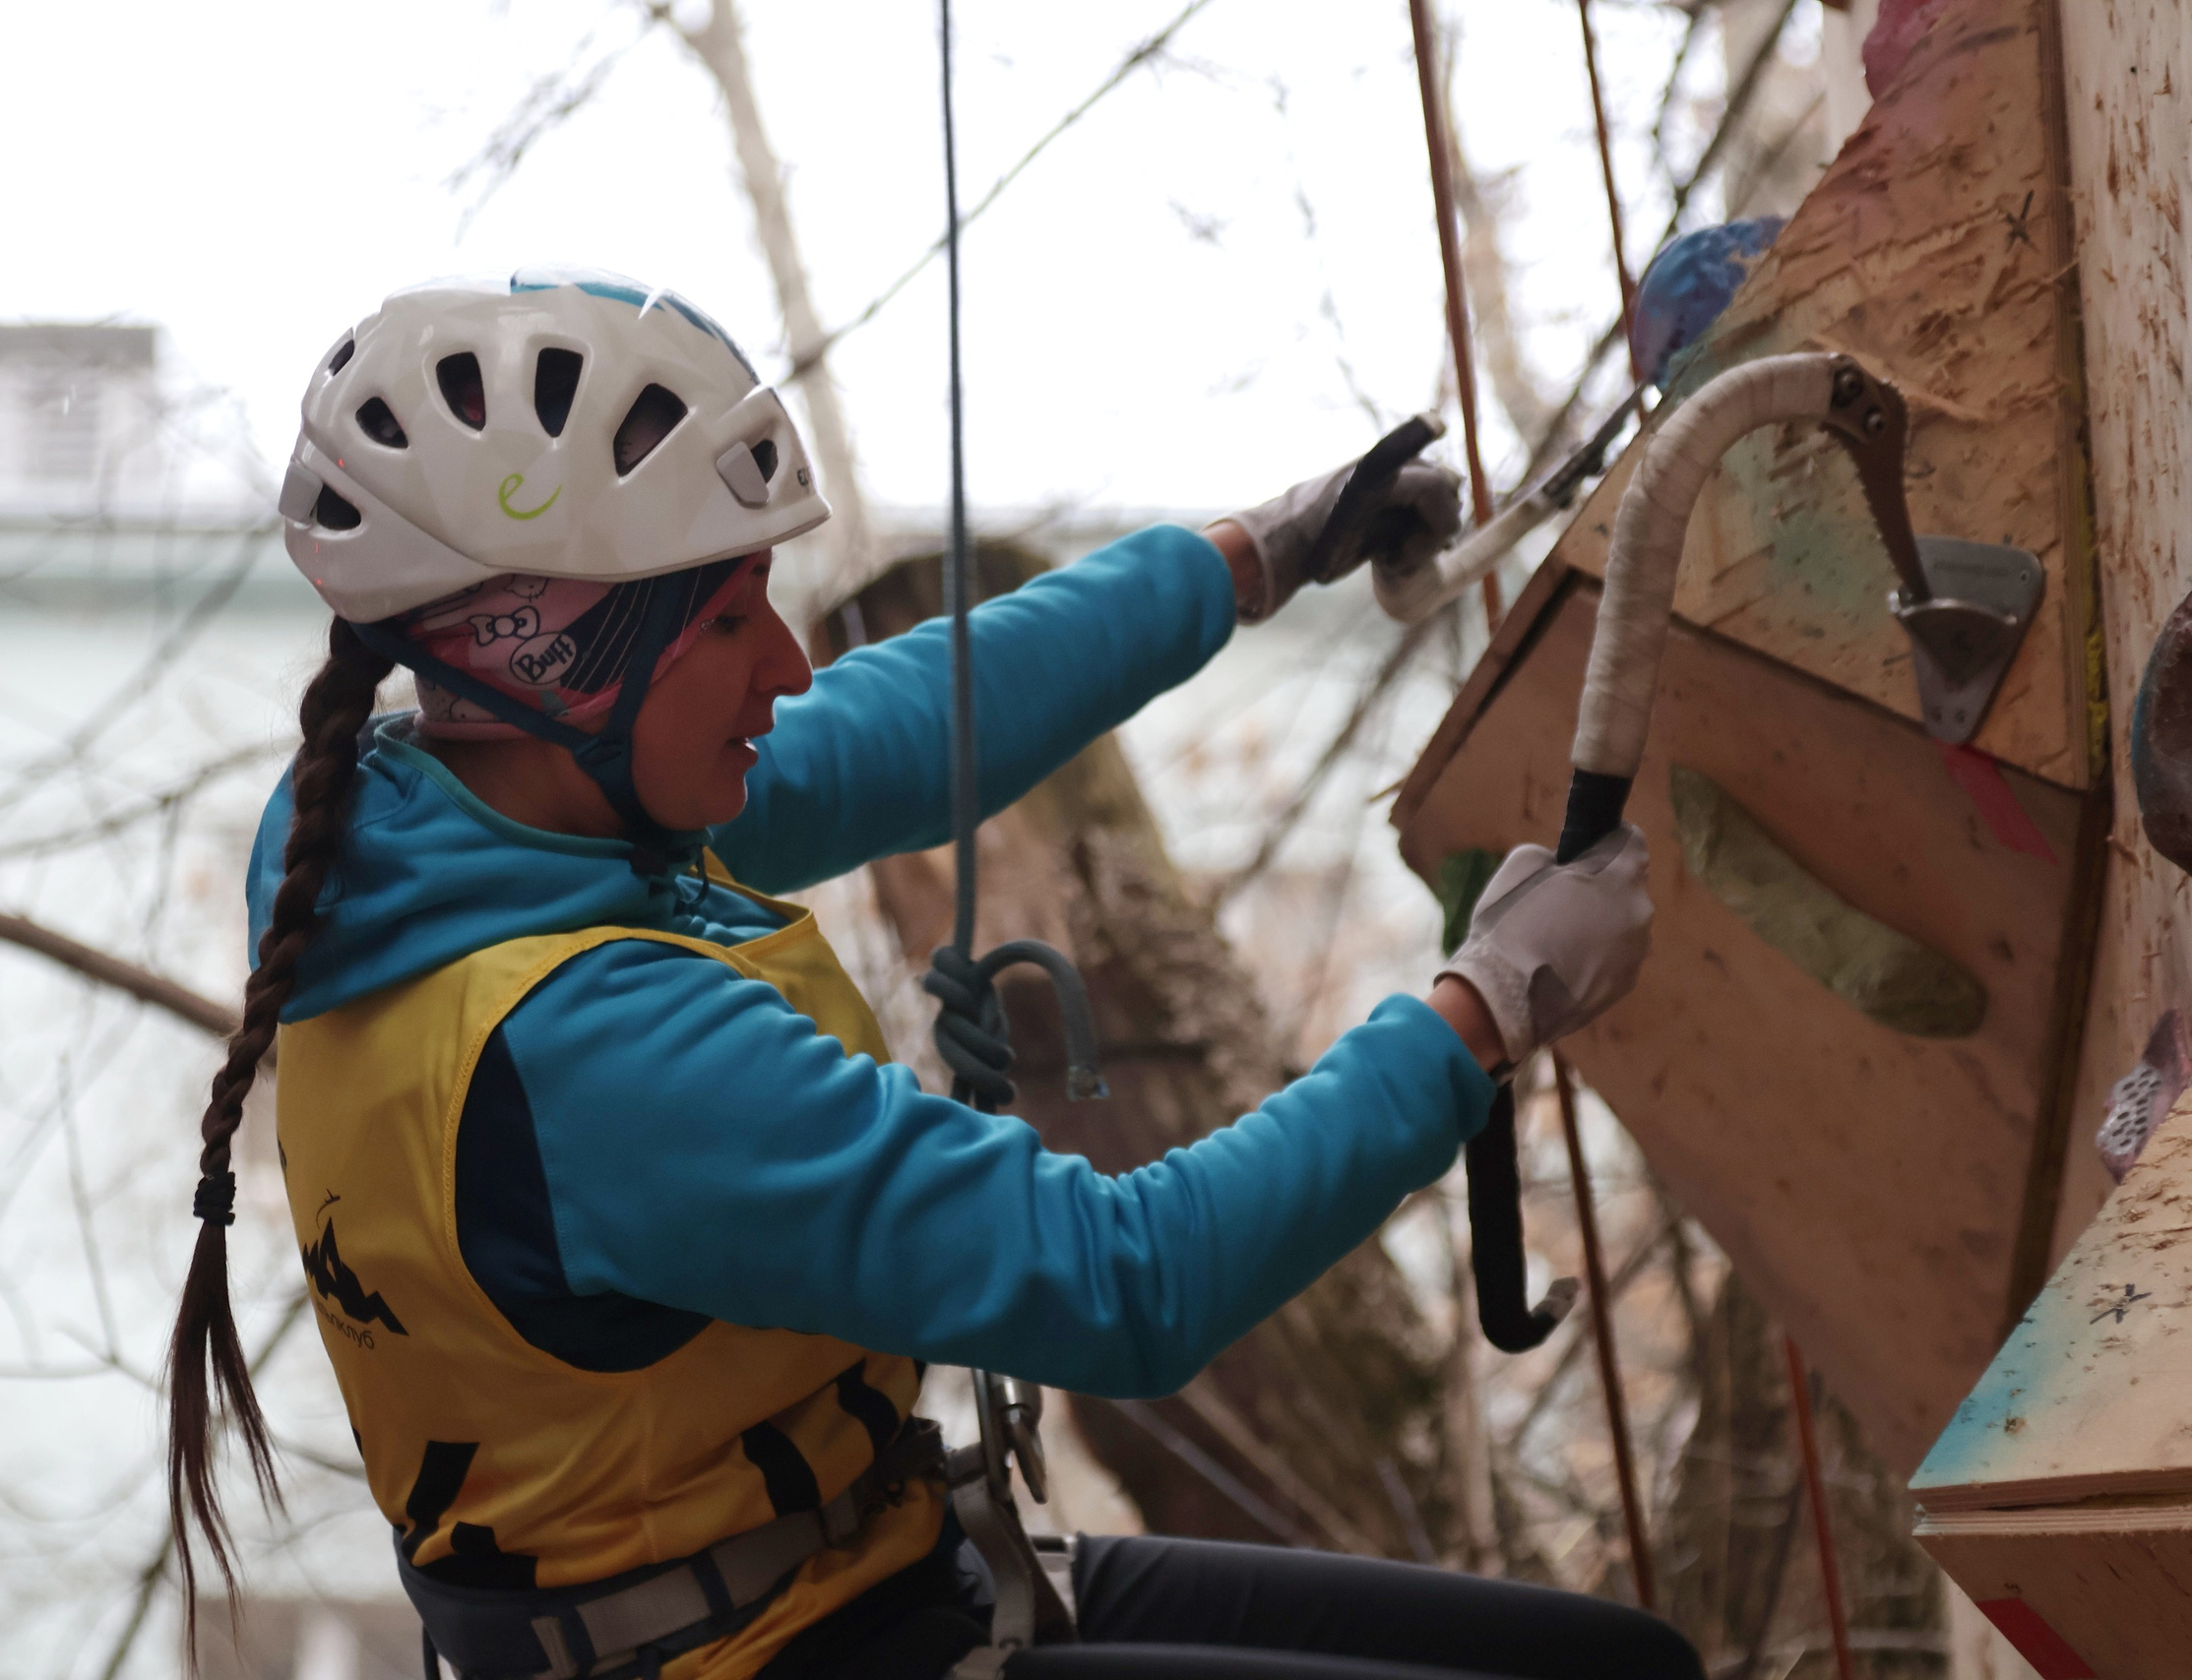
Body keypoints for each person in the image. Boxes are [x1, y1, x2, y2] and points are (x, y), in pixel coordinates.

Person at [163, 270, 1680, 1680]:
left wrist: (1252, 555)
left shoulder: (452, 830)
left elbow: (907, 723)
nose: (785, 664)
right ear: (553, 663)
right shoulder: (591, 1051)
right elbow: (1127, 1280)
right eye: (729, 615)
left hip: (871, 1571)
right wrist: (1486, 1006)